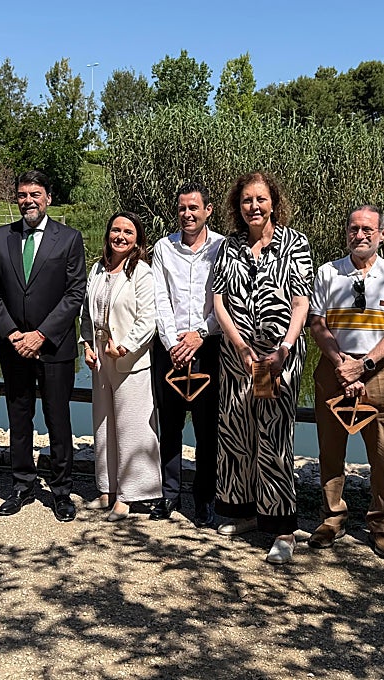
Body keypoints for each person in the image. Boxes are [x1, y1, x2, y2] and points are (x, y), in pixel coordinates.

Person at [211, 171, 313, 564]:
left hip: (277, 357)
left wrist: (285, 348)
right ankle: (246, 512)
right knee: (237, 432)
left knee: (274, 435)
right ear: (238, 207)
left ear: (274, 202)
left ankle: (283, 528)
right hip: (238, 357)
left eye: (261, 199)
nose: (254, 206)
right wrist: (237, 344)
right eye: (246, 201)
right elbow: (218, 299)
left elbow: (301, 301)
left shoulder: (295, 242)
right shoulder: (230, 246)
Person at [307, 205, 384, 559]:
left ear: (382, 233)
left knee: (381, 453)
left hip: (378, 371)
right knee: (330, 449)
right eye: (354, 229)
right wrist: (342, 364)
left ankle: (381, 523)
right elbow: (318, 324)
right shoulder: (326, 273)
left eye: (368, 229)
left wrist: (363, 365)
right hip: (334, 368)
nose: (360, 235)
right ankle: (332, 517)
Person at [0, 170, 86, 522]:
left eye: (35, 194)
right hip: (13, 346)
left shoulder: (69, 239)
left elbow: (75, 293)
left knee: (58, 419)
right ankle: (22, 485)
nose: (28, 200)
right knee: (18, 416)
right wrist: (12, 333)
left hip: (54, 346)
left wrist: (41, 335)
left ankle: (61, 490)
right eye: (23, 194)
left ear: (48, 198)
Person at [150, 182, 225, 527]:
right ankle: (169, 494)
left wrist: (201, 334)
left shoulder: (223, 248)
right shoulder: (163, 248)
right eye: (182, 208)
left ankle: (204, 499)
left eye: (194, 208)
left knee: (208, 428)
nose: (187, 214)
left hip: (209, 346)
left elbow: (225, 301)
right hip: (170, 348)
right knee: (171, 424)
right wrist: (171, 343)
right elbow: (159, 298)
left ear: (208, 210)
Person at [79, 212, 162, 521]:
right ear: (108, 234)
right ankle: (106, 488)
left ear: (137, 238)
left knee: (130, 427)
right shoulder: (98, 269)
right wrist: (86, 343)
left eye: (128, 232)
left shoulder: (141, 272)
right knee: (102, 423)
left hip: (129, 356)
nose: (121, 236)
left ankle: (129, 495)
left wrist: (126, 345)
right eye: (116, 230)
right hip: (101, 354)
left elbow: (147, 318)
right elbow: (86, 311)